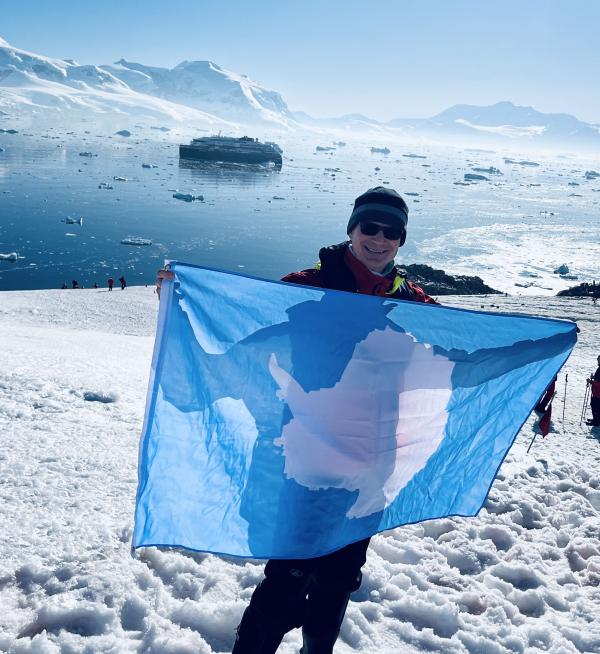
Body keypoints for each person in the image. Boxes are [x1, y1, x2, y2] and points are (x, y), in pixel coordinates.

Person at [156, 186, 435, 653]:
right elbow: (241, 326)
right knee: (288, 578)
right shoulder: (306, 286)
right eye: (370, 226)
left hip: (371, 465)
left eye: (392, 231)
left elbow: (459, 352)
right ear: (352, 229)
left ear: (401, 241)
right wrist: (182, 299)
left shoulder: (412, 302)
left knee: (339, 580)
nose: (379, 238)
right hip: (305, 461)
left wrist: (535, 354)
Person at [586, 355, 600, 427]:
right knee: (595, 406)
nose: (597, 360)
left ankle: (596, 421)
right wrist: (593, 378)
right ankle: (596, 419)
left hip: (598, 393)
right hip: (596, 392)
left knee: (595, 406)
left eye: (599, 359)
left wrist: (591, 382)